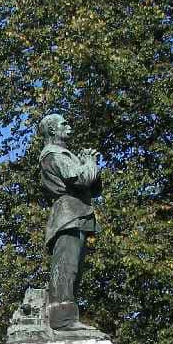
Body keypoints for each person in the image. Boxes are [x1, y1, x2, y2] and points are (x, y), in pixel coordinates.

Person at [39, 113, 102, 332]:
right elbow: (82, 179)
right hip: (68, 216)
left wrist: (87, 164)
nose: (69, 126)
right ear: (53, 130)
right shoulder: (54, 155)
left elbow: (92, 187)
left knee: (75, 269)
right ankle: (61, 319)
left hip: (77, 214)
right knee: (66, 267)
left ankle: (67, 317)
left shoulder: (65, 154)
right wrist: (89, 162)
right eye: (63, 123)